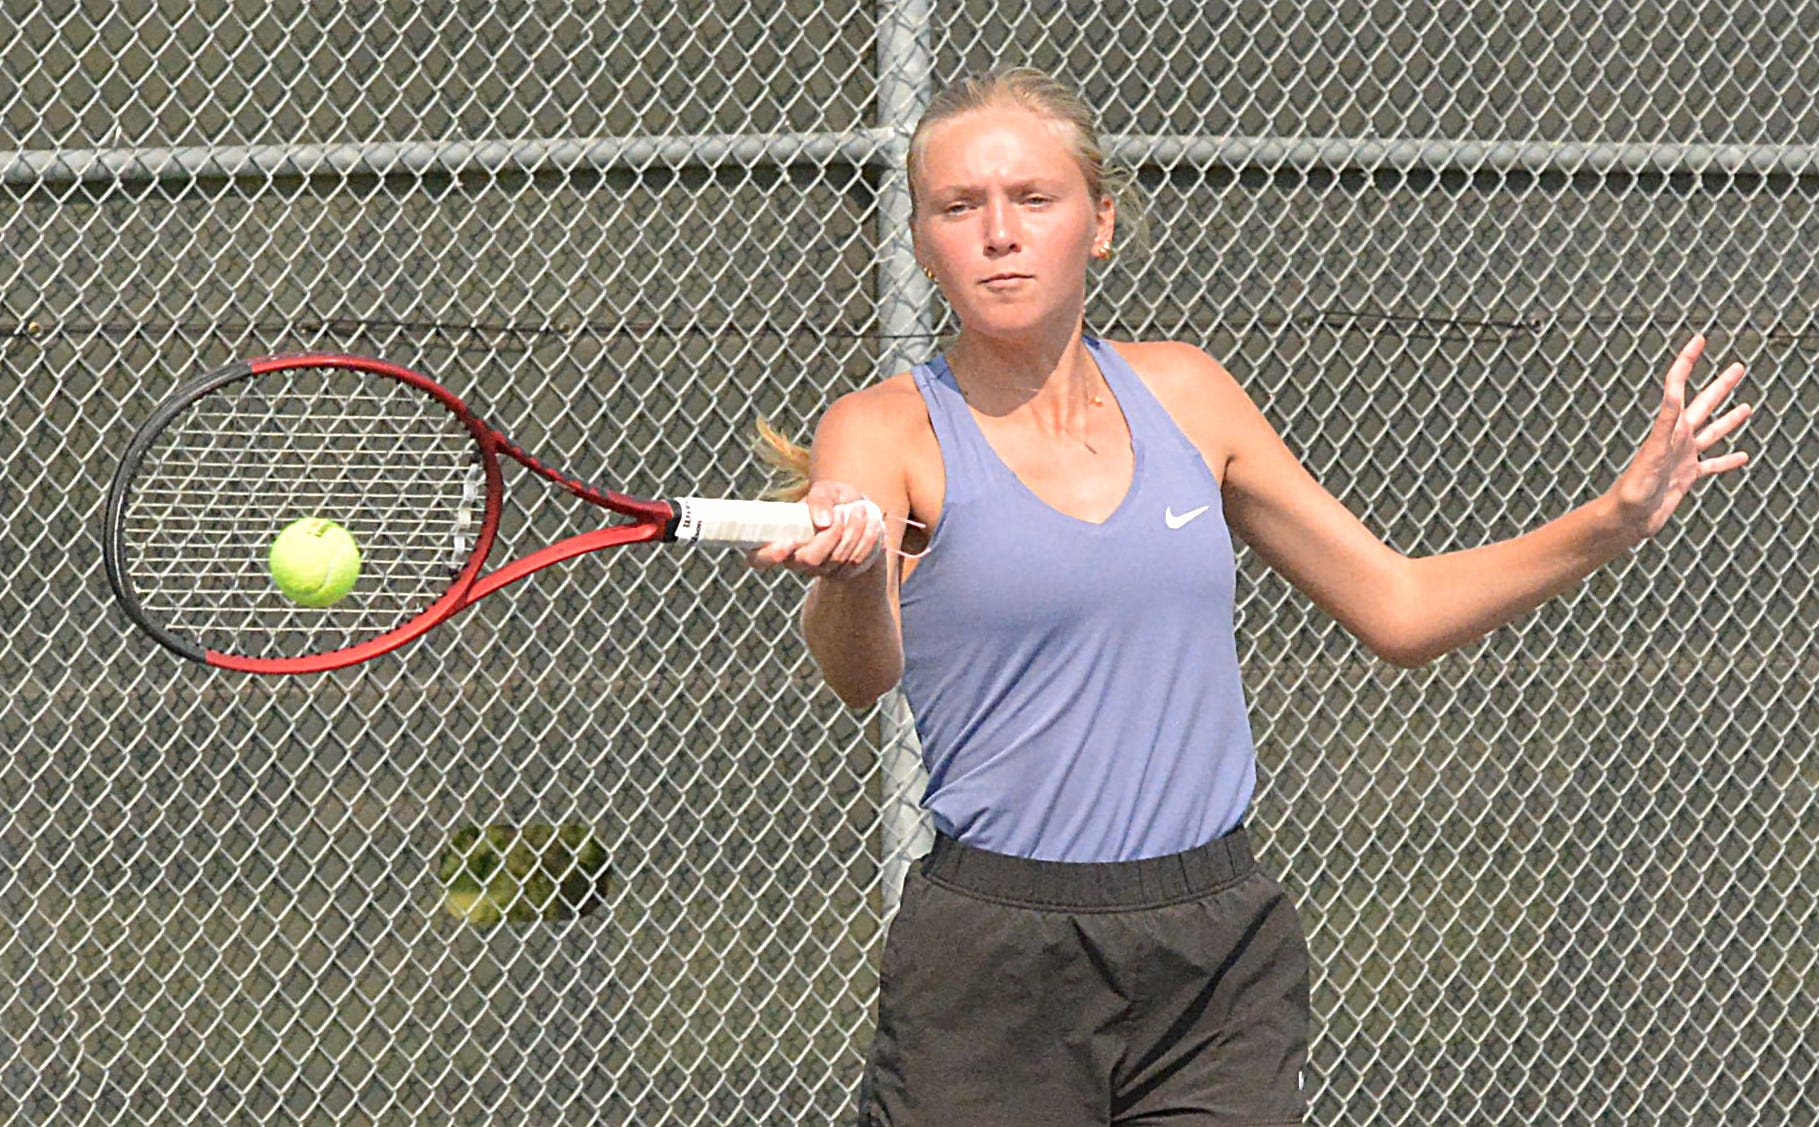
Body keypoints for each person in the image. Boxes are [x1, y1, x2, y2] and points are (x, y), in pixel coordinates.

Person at [747, 67, 1754, 1127]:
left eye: (1032, 199)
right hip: (996, 953)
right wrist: (853, 573)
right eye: (959, 207)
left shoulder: (1189, 390)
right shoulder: (879, 429)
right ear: (921, 239)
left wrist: (1612, 519)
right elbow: (859, 670)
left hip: (1215, 948)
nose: (997, 232)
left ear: (1100, 220)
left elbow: (1398, 608)